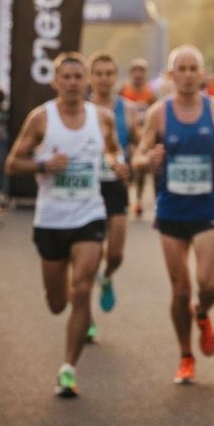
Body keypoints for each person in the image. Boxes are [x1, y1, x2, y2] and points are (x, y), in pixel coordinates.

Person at [4, 52, 129, 396]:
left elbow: (113, 152)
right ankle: (74, 311)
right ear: (55, 82)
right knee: (57, 302)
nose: (74, 83)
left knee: (82, 288)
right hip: (51, 220)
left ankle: (68, 368)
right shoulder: (40, 119)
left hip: (89, 214)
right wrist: (44, 165)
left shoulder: (102, 118)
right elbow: (13, 163)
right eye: (67, 77)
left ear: (86, 81)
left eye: (79, 77)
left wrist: (118, 166)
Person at [133, 45, 214, 384]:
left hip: (206, 208)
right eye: (182, 69)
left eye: (193, 69)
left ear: (201, 75)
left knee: (208, 285)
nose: (188, 75)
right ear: (172, 75)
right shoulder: (159, 113)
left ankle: (203, 315)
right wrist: (149, 160)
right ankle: (186, 355)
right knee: (181, 291)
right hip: (172, 209)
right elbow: (139, 156)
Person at [88, 52, 136, 332]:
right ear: (91, 77)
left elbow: (139, 145)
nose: (104, 79)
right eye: (99, 73)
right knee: (87, 257)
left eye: (109, 73)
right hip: (89, 185)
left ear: (115, 77)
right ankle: (87, 318)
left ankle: (106, 277)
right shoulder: (79, 107)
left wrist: (135, 163)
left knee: (115, 254)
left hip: (115, 185)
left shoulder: (127, 109)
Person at [121, 58, 157, 218]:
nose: (138, 74)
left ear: (146, 74)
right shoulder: (123, 91)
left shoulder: (151, 94)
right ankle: (124, 198)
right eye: (135, 71)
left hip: (144, 136)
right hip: (128, 137)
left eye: (141, 71)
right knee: (125, 170)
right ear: (130, 73)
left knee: (142, 170)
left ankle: (139, 200)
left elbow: (156, 115)